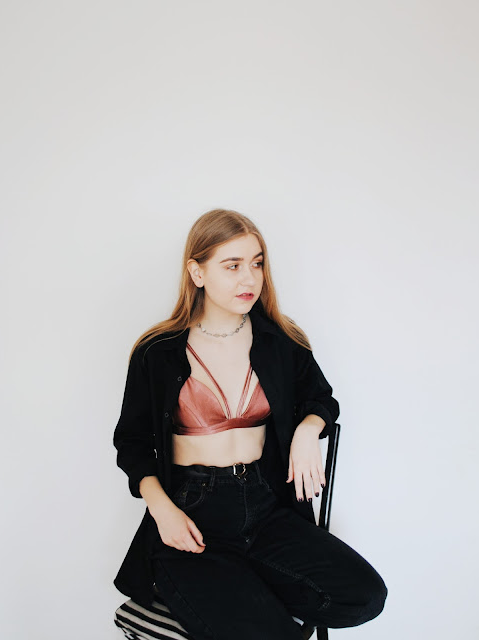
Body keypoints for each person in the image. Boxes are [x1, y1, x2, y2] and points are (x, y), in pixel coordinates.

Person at [113, 208, 387, 639]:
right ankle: (188, 603)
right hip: (192, 514)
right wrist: (162, 510)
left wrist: (307, 430)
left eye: (257, 263)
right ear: (197, 272)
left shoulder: (282, 341)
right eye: (232, 265)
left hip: (265, 505)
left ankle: (224, 603)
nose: (249, 278)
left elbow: (321, 399)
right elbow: (131, 442)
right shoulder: (158, 351)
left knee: (365, 596)